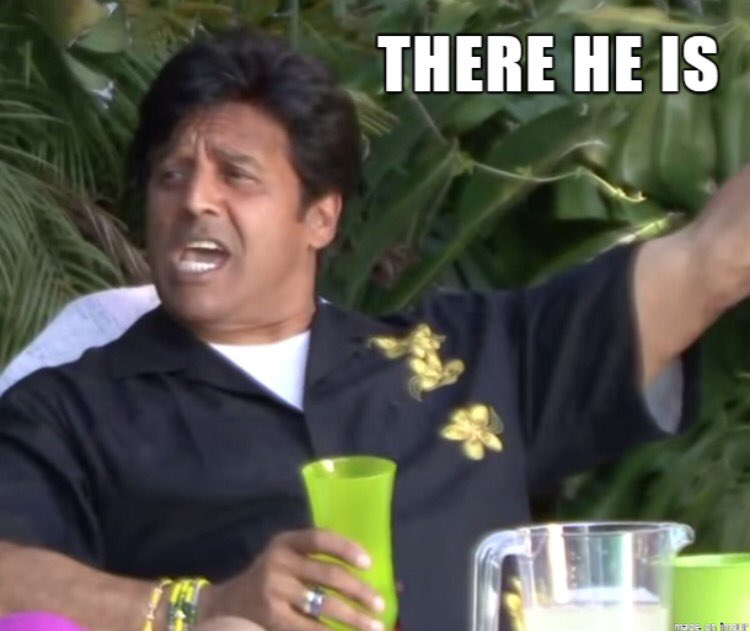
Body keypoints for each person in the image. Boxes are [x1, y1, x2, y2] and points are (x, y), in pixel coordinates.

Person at [0, 26, 747, 631]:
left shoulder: (481, 354)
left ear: (319, 216)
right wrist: (200, 607)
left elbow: (712, 258)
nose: (194, 199)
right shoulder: (74, 409)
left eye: (236, 174)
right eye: (171, 175)